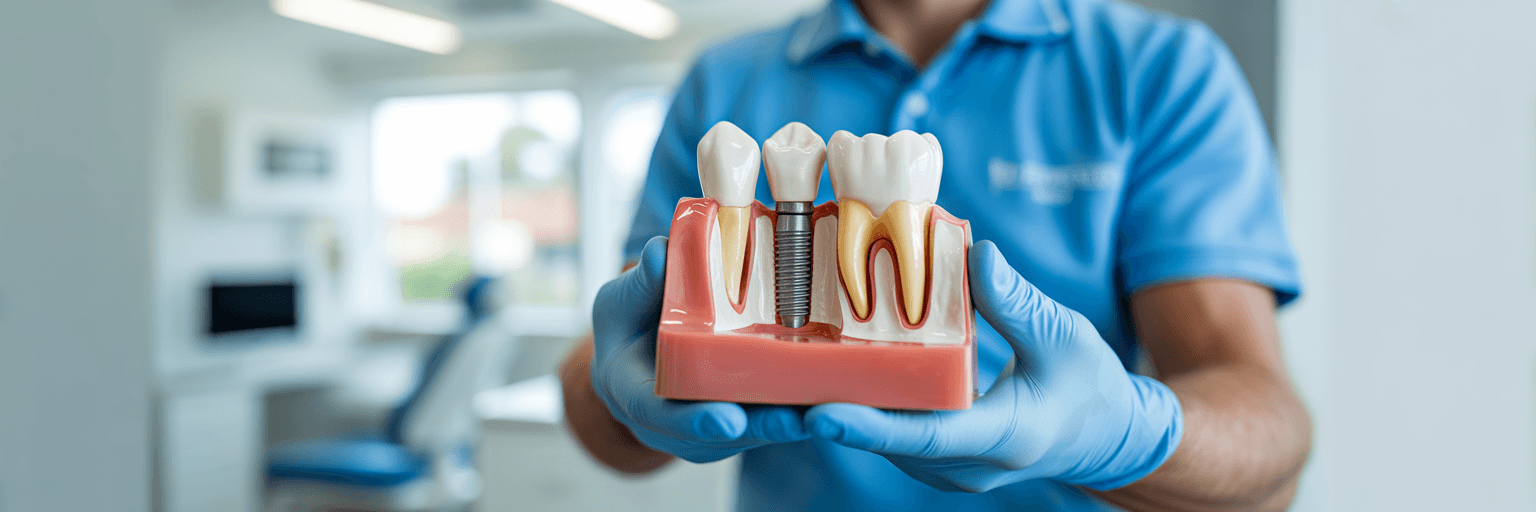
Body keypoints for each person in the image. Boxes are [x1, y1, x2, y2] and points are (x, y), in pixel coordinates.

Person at [558, 0, 1311, 509]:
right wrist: (616, 392)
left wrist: (1120, 438)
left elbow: (1270, 447)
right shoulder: (722, 78)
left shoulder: (1158, 69)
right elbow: (609, 418)